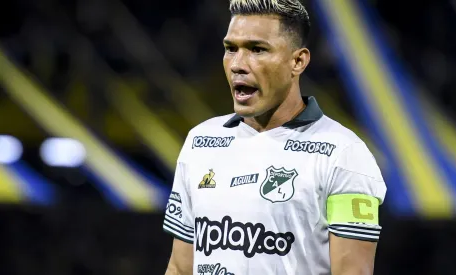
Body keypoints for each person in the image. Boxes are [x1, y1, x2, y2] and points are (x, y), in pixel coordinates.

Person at [163, 0, 387, 274]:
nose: (237, 64)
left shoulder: (343, 154)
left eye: (257, 49)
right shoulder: (200, 142)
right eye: (230, 49)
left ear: (297, 61)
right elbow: (180, 267)